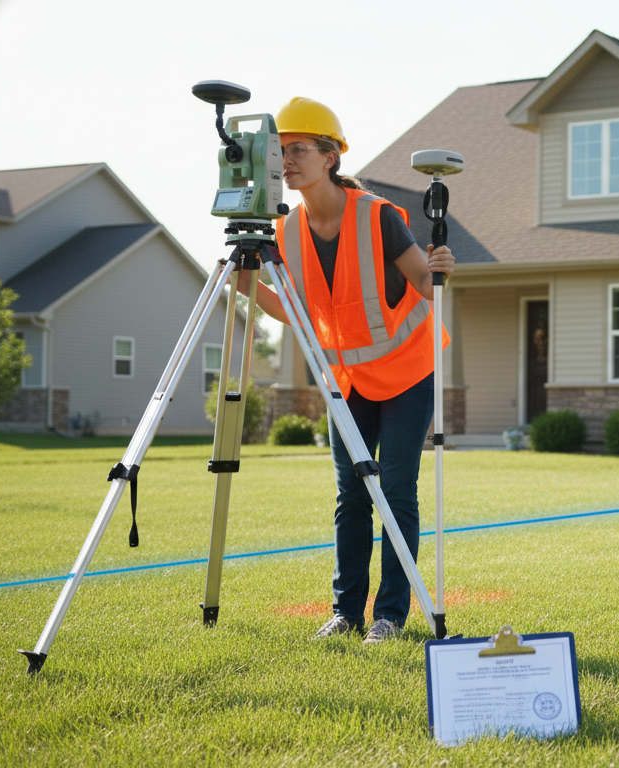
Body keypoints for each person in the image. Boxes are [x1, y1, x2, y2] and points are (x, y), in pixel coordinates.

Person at [237, 97, 453, 644]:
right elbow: (297, 311)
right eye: (280, 152)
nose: (287, 161)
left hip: (405, 372)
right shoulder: (283, 232)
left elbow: (427, 285)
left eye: (299, 150)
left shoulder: (377, 215)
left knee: (396, 490)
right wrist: (249, 288)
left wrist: (443, 267)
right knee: (351, 494)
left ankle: (389, 616)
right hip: (347, 383)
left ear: (331, 157)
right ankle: (345, 612)